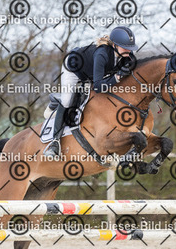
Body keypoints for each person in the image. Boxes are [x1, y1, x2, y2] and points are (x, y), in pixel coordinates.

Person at [43, 26, 138, 156]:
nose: (129, 51)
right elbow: (98, 87)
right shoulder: (102, 54)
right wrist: (117, 77)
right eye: (125, 47)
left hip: (91, 73)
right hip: (73, 69)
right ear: (115, 45)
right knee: (67, 101)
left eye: (130, 48)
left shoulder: (126, 54)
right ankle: (54, 143)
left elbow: (133, 63)